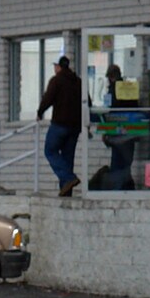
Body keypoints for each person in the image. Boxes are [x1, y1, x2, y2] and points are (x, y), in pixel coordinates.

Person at [37, 55, 82, 196]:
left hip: (59, 124)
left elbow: (48, 98)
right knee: (68, 158)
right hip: (75, 127)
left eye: (55, 66)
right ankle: (66, 191)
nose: (54, 68)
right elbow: (88, 101)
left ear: (58, 67)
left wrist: (40, 112)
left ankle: (69, 179)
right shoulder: (78, 82)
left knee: (50, 151)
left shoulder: (56, 81)